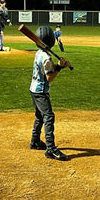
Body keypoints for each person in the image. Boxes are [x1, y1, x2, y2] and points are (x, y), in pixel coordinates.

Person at [29, 26, 72, 161]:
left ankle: (35, 141)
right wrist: (59, 67)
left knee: (39, 116)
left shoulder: (39, 53)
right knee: (48, 117)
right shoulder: (46, 57)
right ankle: (51, 149)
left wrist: (61, 66)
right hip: (41, 91)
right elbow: (50, 77)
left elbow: (48, 69)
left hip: (34, 89)